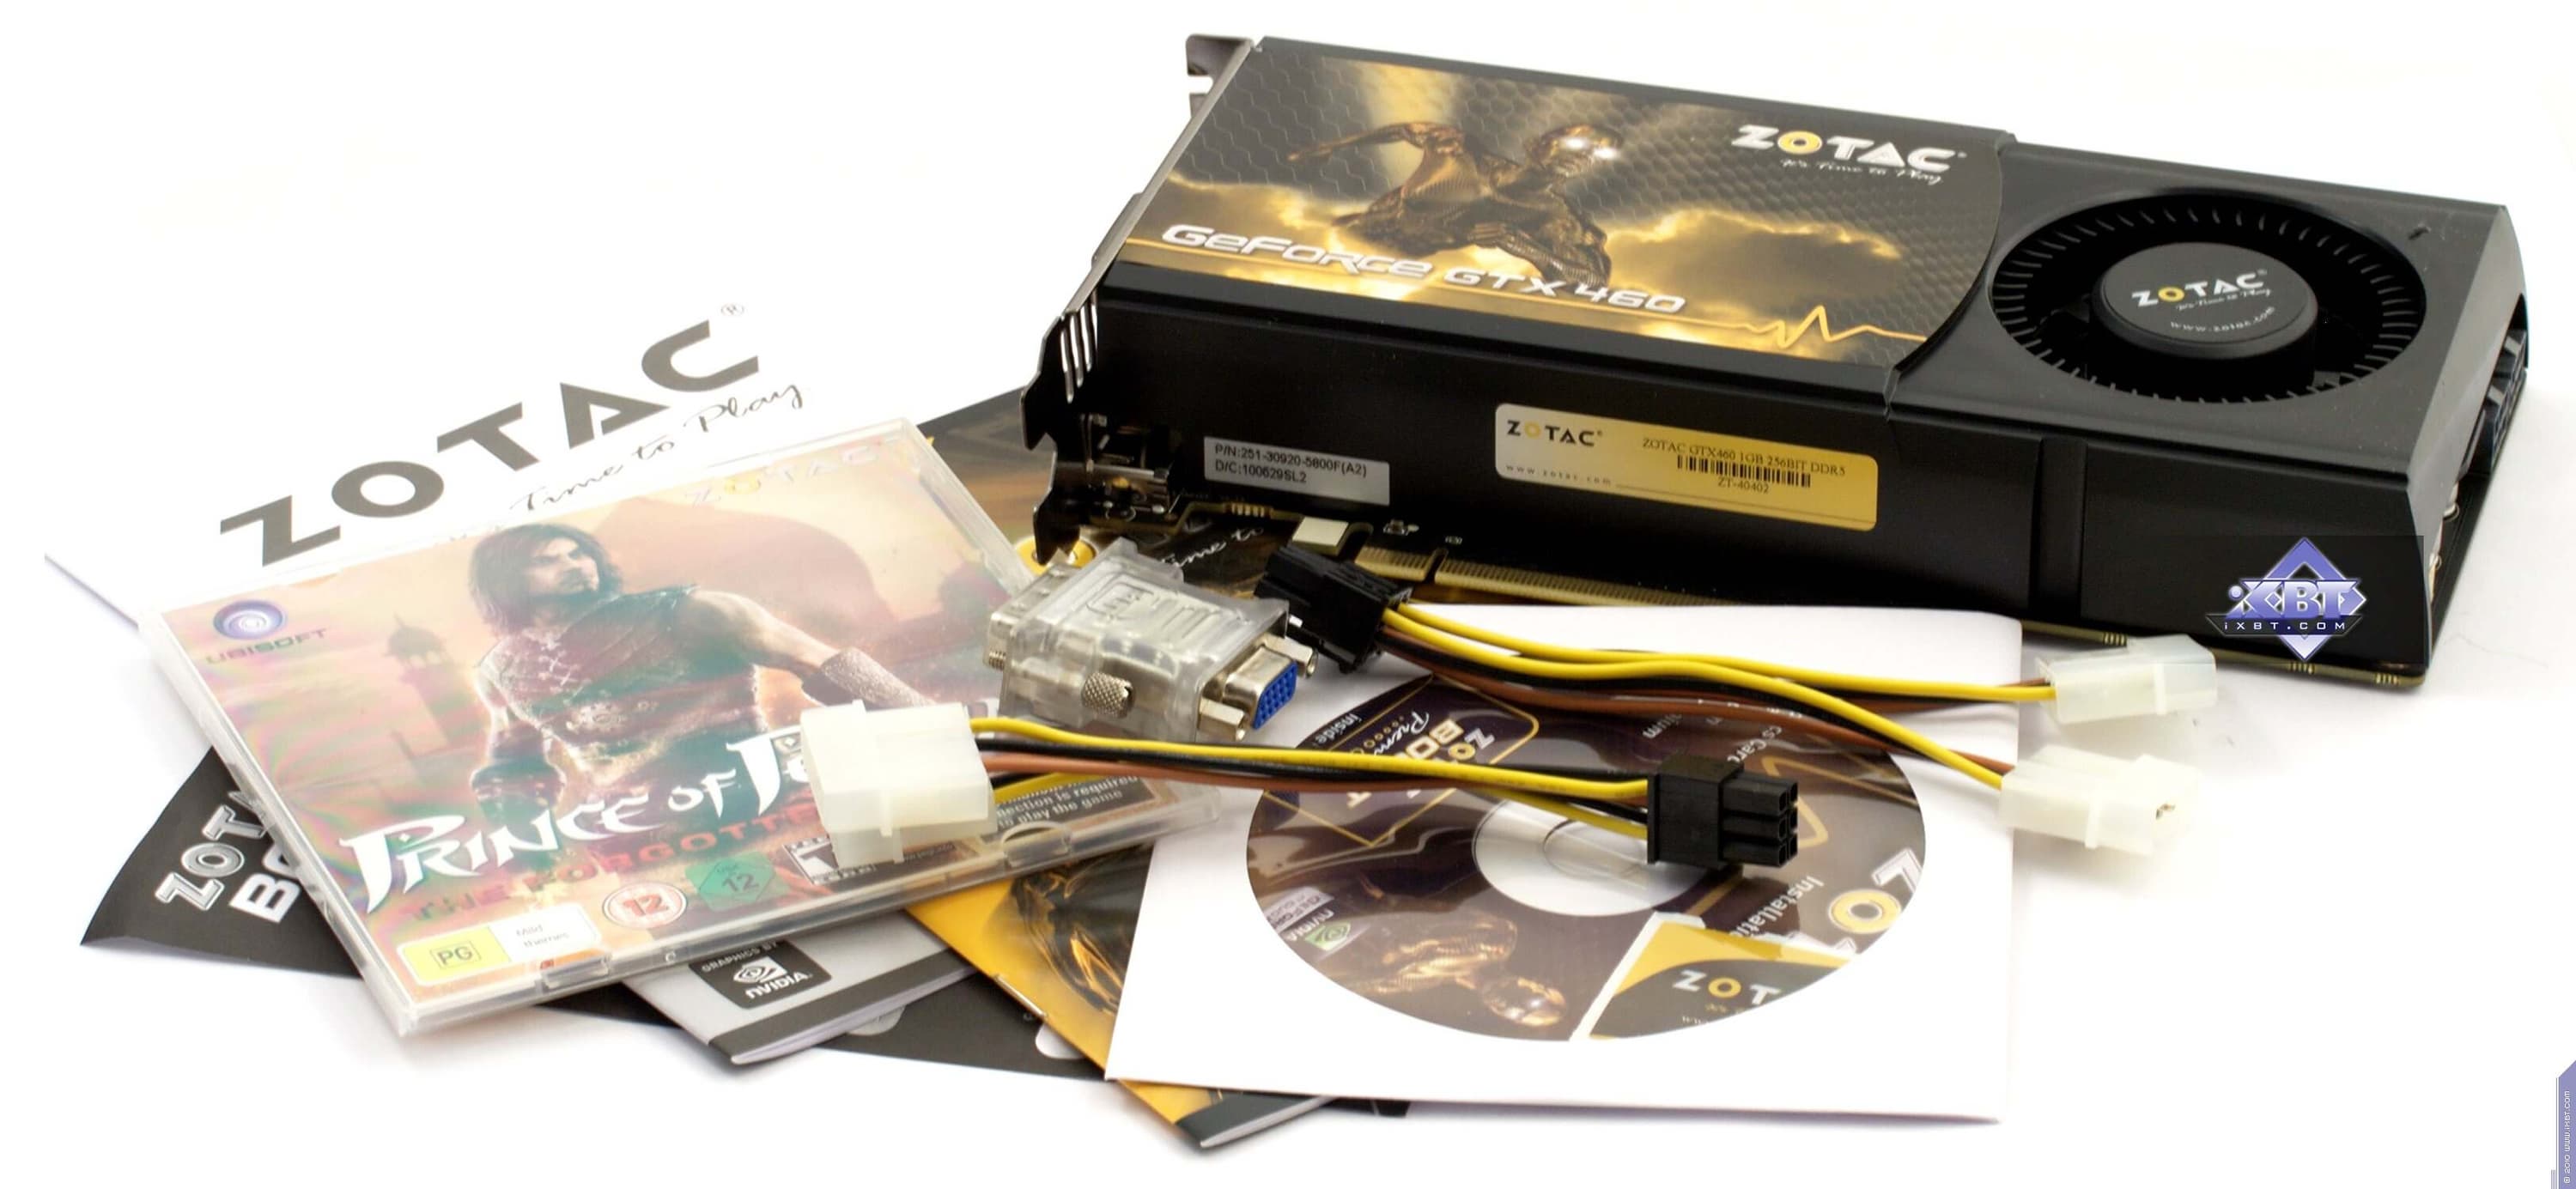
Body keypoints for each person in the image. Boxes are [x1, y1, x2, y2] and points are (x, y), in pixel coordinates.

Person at [463, 523, 927, 816]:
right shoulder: (498, 670)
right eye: (546, 561)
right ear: (505, 580)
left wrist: (934, 729)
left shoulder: (691, 612)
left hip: (759, 804)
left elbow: (819, 660)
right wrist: (525, 849)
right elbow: (515, 764)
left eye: (577, 554)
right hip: (634, 832)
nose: (574, 566)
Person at [1289, 121, 1625, 286]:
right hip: (1333, 239)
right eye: (1575, 143)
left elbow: (1592, 281)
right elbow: (1405, 129)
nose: (1581, 155)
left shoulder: (1553, 215)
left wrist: (1524, 247)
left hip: (1381, 271)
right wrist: (1332, 146)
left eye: (1593, 154)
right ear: (1539, 143)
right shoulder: (1457, 152)